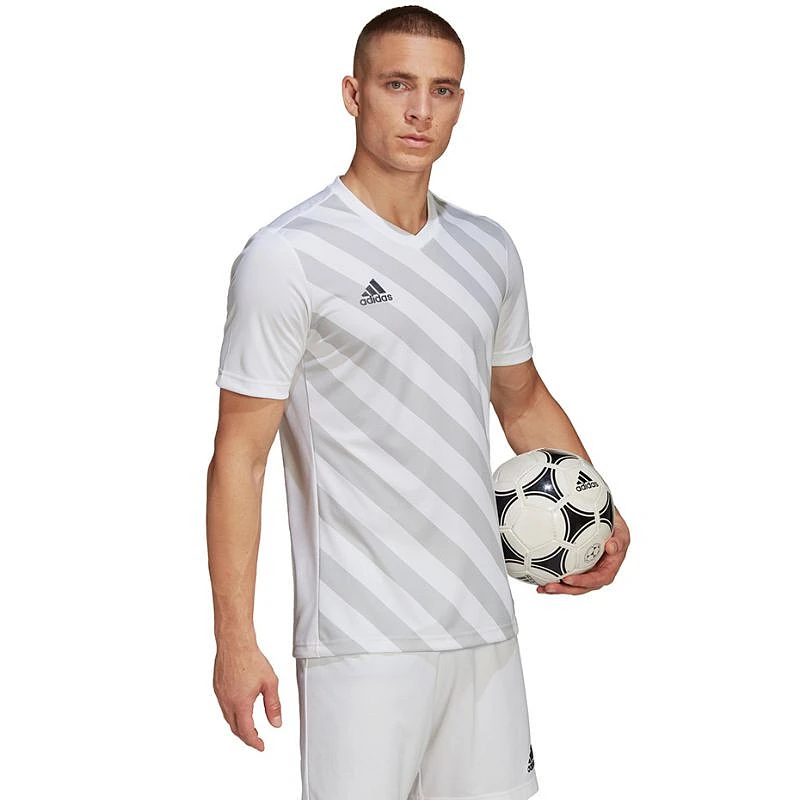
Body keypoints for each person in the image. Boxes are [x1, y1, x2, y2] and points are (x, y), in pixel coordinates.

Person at [206, 5, 631, 799]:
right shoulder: (288, 257)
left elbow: (522, 398)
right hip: (362, 638)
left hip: (485, 627)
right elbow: (240, 456)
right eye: (397, 85)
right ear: (353, 94)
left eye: (441, 90)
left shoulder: (487, 249)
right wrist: (235, 637)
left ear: (460, 103)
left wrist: (599, 508)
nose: (419, 111)